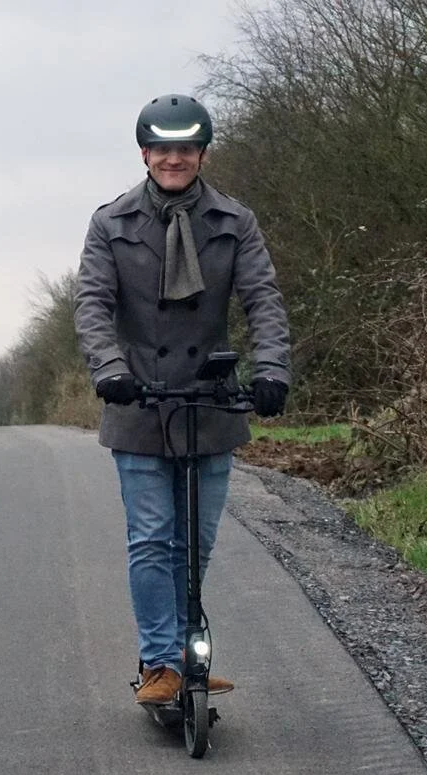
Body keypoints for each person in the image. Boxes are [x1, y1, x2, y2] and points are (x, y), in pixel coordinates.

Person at [74, 93, 292, 709]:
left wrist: (272, 371)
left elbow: (263, 300)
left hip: (211, 399)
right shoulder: (110, 223)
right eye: (163, 149)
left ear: (201, 154)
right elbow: (92, 307)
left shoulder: (234, 221)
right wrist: (110, 369)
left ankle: (182, 652)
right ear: (146, 153)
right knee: (150, 535)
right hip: (138, 398)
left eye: (186, 149)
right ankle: (160, 661)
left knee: (194, 541)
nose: (175, 159)